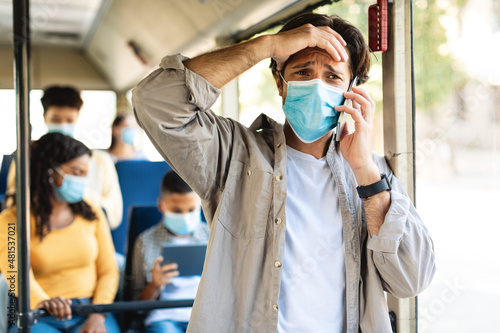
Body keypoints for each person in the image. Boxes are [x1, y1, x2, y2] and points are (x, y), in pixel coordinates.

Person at [132, 13, 436, 332]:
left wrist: (364, 171)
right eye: (303, 72)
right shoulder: (232, 155)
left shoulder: (373, 175)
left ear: (352, 90)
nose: (316, 85)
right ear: (280, 83)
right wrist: (268, 45)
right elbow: (154, 101)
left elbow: (411, 280)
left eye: (332, 76)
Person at [0, 133, 120, 333]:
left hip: (90, 310)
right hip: (40, 314)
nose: (82, 181)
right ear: (49, 171)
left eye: (85, 174)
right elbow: (15, 273)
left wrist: (98, 315)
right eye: (76, 172)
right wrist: (44, 302)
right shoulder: (11, 220)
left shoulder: (93, 213)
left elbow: (109, 270)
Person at [6, 86, 123, 230]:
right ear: (45, 118)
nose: (62, 125)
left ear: (77, 118)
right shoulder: (26, 159)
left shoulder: (100, 160)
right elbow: (13, 206)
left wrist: (78, 193)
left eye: (69, 120)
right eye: (56, 119)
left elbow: (114, 215)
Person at [131, 171, 209, 333]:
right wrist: (154, 285)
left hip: (205, 315)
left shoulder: (212, 237)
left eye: (191, 209)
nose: (185, 216)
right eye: (176, 210)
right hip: (163, 318)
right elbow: (137, 306)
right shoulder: (145, 241)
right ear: (161, 206)